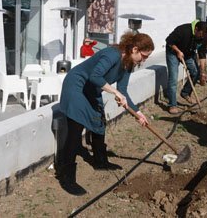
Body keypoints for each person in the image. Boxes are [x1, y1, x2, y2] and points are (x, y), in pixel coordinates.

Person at [57, 33, 154, 195]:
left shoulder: (128, 64)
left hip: (91, 88)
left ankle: (100, 161)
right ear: (135, 49)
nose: (143, 61)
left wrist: (138, 113)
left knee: (99, 120)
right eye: (143, 56)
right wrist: (115, 92)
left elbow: (123, 91)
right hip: (77, 85)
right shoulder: (112, 54)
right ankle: (66, 177)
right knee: (76, 127)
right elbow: (95, 76)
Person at [165, 20, 207, 114]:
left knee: (195, 73)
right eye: (201, 34)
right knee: (173, 78)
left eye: (204, 35)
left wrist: (203, 72)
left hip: (188, 53)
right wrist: (178, 51)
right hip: (173, 52)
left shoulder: (204, 36)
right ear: (196, 29)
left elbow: (202, 54)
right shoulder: (183, 30)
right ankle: (172, 104)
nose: (202, 37)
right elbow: (169, 40)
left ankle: (185, 93)